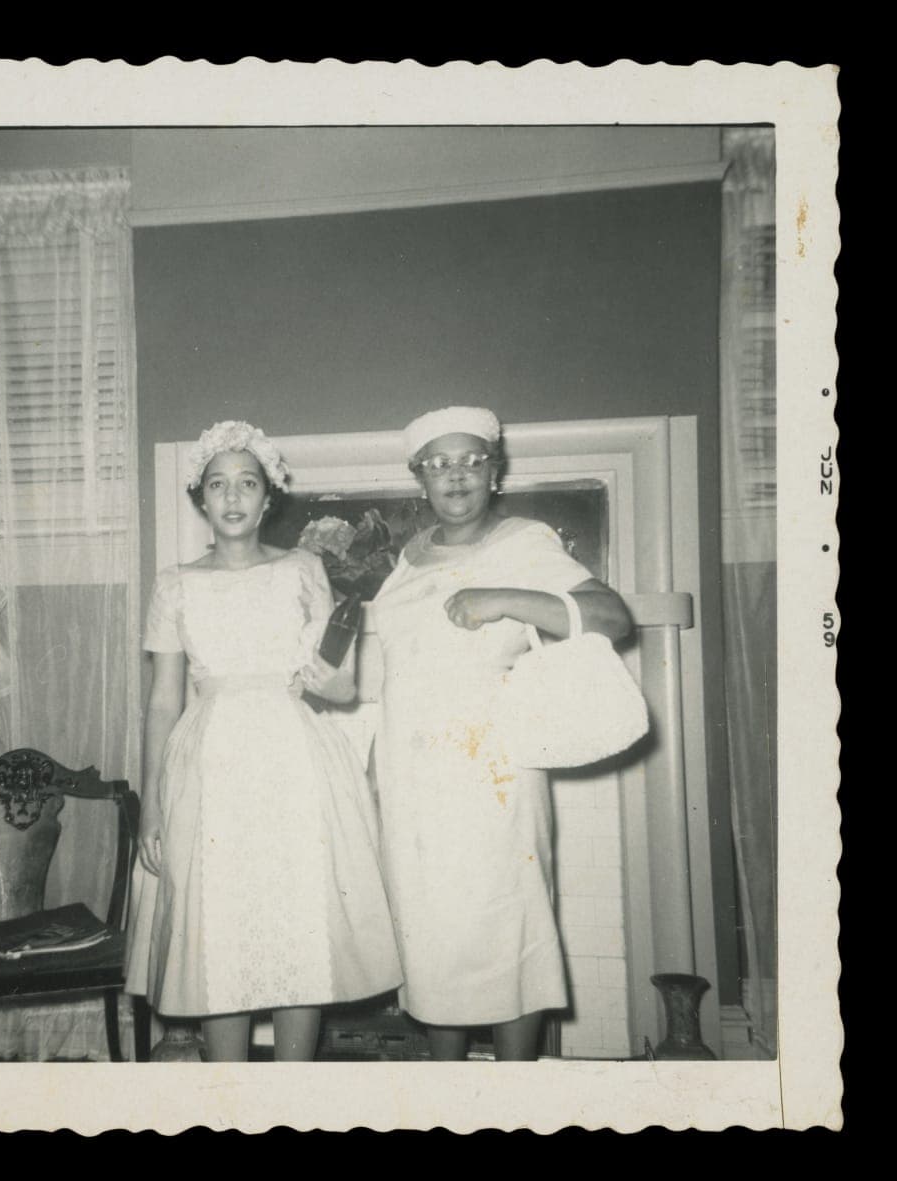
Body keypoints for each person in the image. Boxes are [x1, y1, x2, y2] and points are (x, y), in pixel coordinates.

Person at [124, 420, 402, 1062]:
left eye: (247, 482)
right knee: (221, 927)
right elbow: (164, 698)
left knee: (296, 919)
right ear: (201, 499)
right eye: (217, 484)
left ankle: (293, 1092)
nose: (232, 496)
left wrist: (328, 677)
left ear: (268, 496)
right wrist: (155, 806)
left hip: (292, 759)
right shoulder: (175, 582)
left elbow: (340, 686)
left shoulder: (303, 568)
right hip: (211, 763)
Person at [370, 406, 632, 1061]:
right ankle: (452, 1090)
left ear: (494, 471)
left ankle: (519, 1095)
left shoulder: (522, 539)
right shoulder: (405, 559)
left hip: (491, 770)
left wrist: (508, 597)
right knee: (429, 939)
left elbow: (613, 616)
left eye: (470, 460)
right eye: (439, 463)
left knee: (507, 927)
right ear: (418, 478)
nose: (455, 475)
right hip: (410, 781)